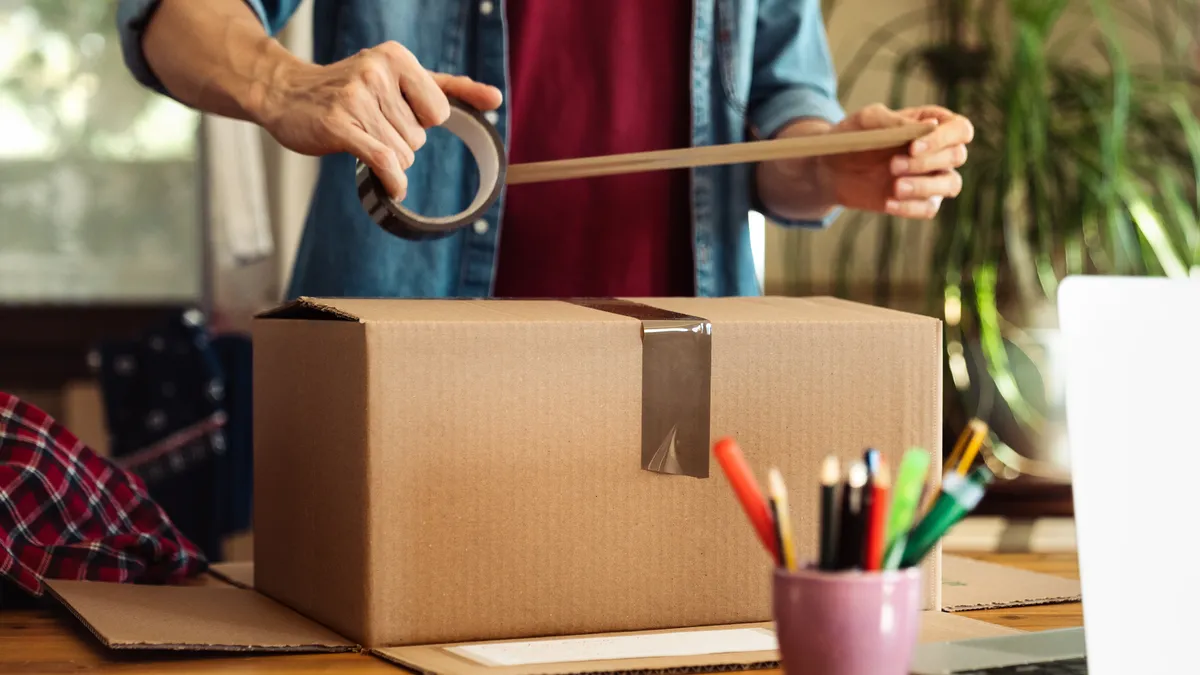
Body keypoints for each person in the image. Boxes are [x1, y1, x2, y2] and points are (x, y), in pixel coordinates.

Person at [117, 0, 973, 299]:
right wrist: (280, 84)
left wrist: (828, 163)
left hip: (677, 398)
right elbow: (165, 14)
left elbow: (782, 127)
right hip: (411, 386)